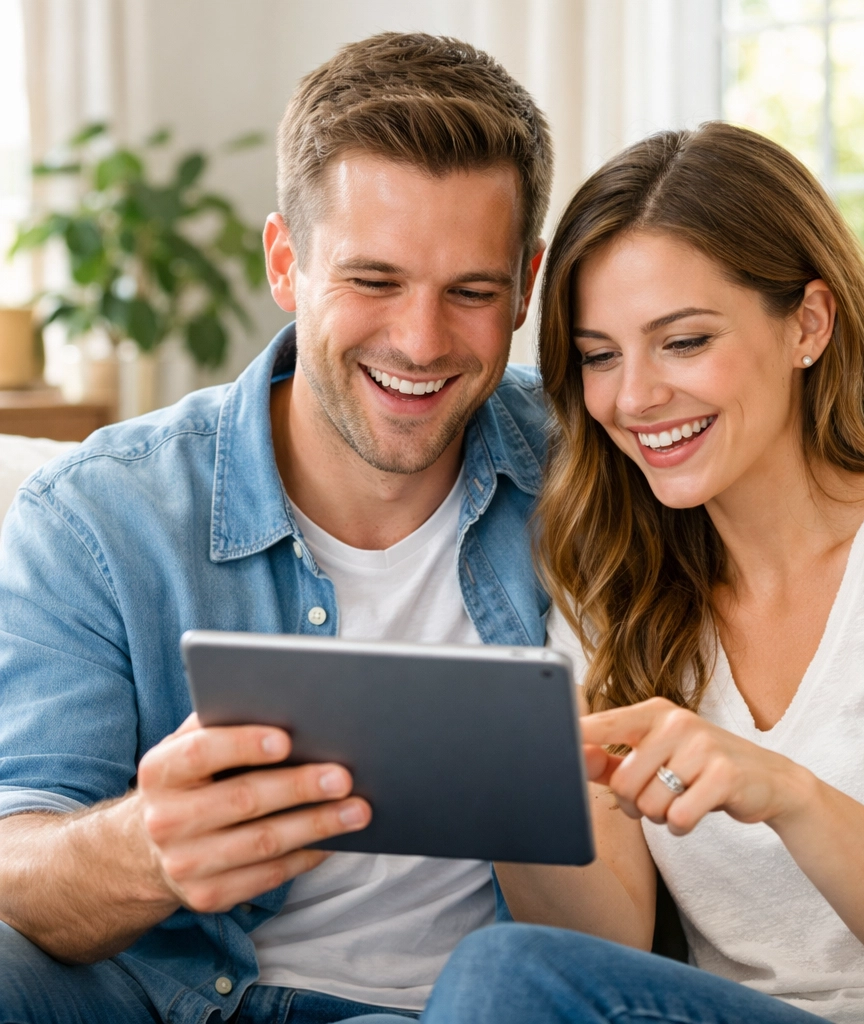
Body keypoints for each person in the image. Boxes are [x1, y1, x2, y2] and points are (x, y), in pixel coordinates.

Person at [0, 32, 553, 1024]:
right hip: (160, 995)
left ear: (525, 283)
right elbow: (17, 850)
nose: (420, 343)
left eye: (471, 291)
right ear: (285, 262)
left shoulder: (593, 471)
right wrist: (144, 846)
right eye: (373, 281)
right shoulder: (99, 512)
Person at [417, 123, 864, 1024]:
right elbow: (607, 947)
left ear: (808, 325)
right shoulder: (613, 574)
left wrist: (786, 793)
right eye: (598, 355)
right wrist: (510, 791)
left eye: (684, 341)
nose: (633, 398)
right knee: (505, 967)